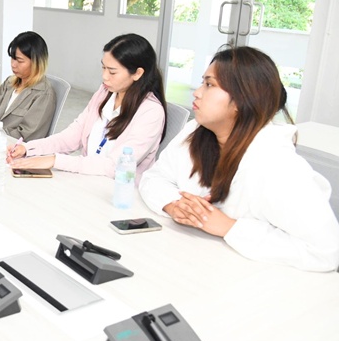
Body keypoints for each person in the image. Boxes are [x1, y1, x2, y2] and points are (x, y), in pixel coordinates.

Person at [139, 46, 339, 272]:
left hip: (253, 277)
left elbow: (325, 253)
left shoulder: (277, 164)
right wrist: (174, 204)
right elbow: (154, 177)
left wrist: (229, 227)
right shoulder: (195, 131)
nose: (197, 92)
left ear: (242, 99)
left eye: (209, 85)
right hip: (195, 259)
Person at [9, 33, 166, 181]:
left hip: (116, 190)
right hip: (87, 180)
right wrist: (28, 149)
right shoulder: (105, 93)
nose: (104, 76)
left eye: (112, 72)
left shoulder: (151, 112)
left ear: (137, 73)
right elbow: (71, 137)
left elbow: (114, 166)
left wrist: (55, 160)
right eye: (103, 68)